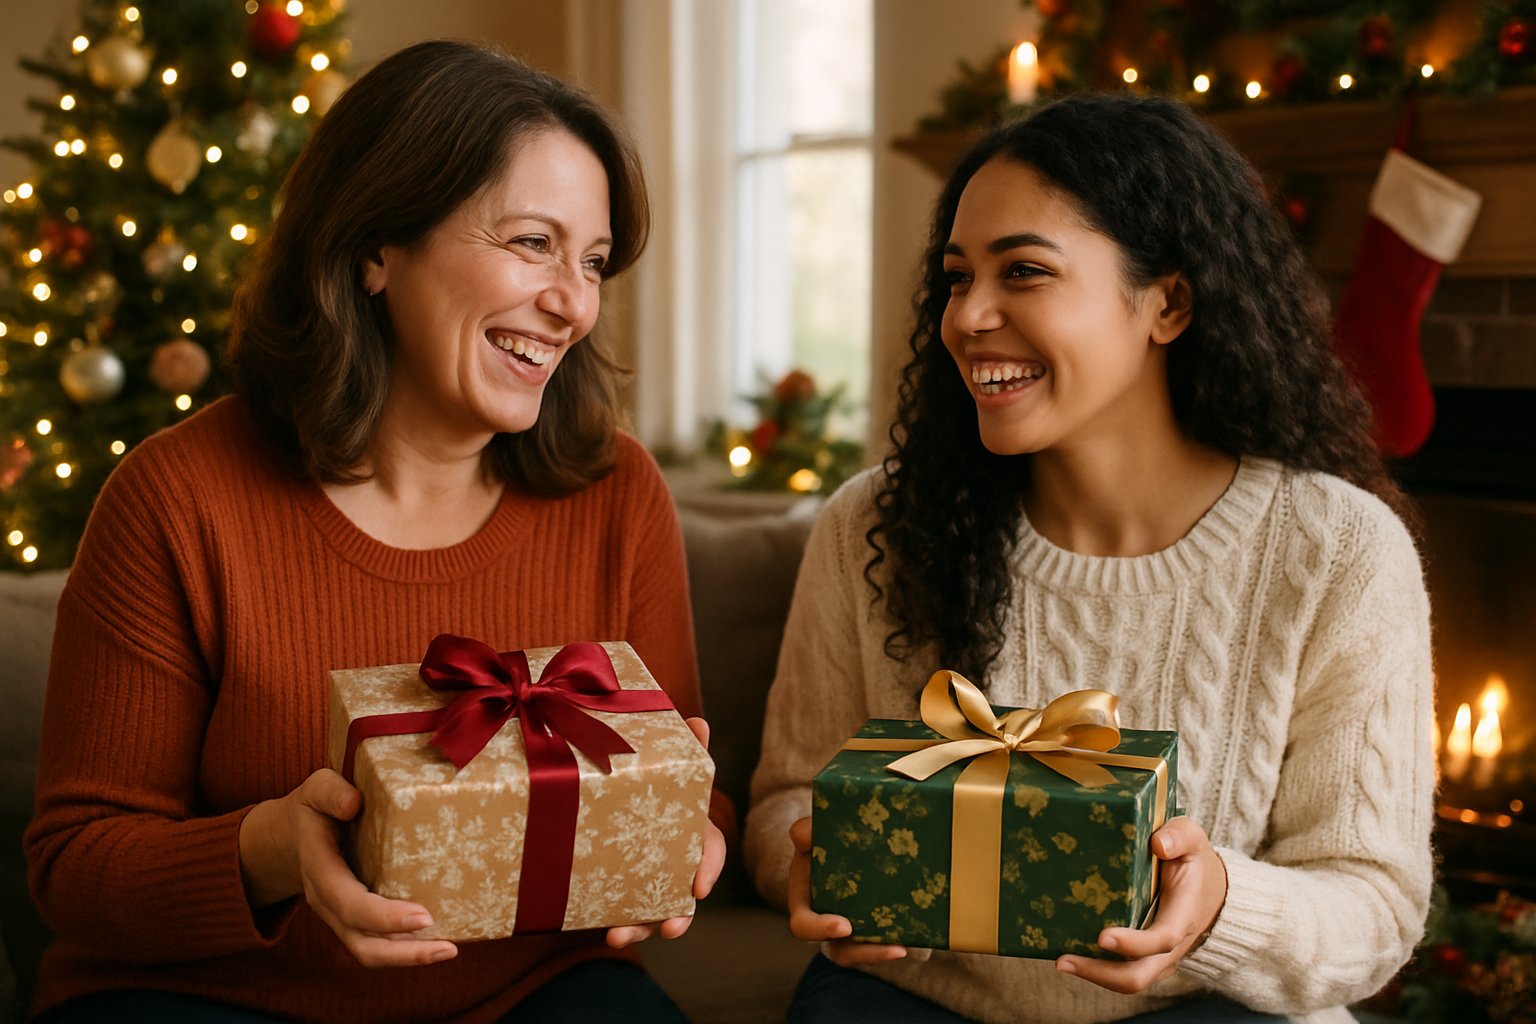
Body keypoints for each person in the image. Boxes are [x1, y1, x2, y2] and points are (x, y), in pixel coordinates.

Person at [25, 40, 727, 1024]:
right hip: (212, 997)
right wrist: (276, 849)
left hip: (524, 994)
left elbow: (686, 782)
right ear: (375, 247)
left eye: (594, 261)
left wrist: (692, 838)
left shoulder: (616, 491)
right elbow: (75, 863)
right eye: (532, 243)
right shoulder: (175, 497)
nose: (573, 302)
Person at [746, 93, 1433, 1024]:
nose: (968, 315)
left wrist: (1221, 904)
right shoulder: (872, 523)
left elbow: (1376, 904)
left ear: (1169, 302)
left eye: (1024, 271)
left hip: (1205, 1007)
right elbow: (788, 790)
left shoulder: (1339, 550)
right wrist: (815, 861)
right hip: (915, 997)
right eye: (956, 277)